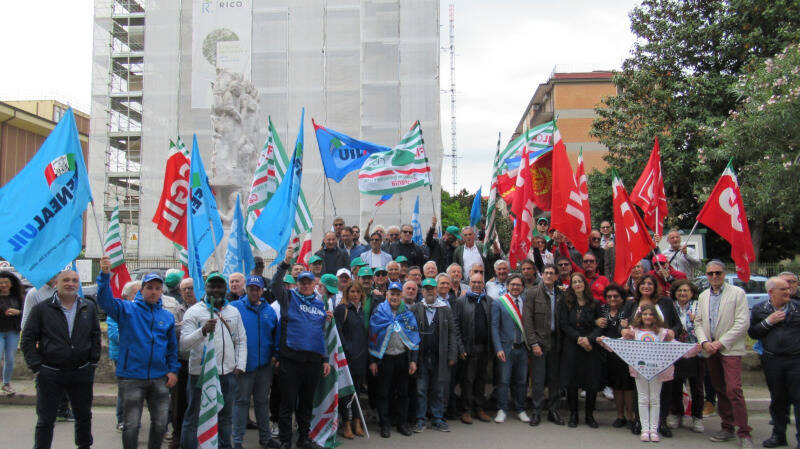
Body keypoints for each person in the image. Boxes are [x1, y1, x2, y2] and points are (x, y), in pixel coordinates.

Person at [97, 257, 180, 449]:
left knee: (160, 424)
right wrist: (104, 276)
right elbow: (105, 301)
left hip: (159, 378)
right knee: (132, 425)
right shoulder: (127, 309)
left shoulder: (166, 316)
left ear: (162, 291)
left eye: (157, 288)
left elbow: (171, 348)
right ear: (142, 290)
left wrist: (173, 370)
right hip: (131, 377)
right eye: (149, 287)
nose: (153, 292)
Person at [21, 268, 101, 449]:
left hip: (81, 372)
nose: (70, 284)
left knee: (83, 417)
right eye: (66, 280)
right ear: (57, 283)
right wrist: (36, 366)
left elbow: (95, 335)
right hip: (50, 373)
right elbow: (27, 338)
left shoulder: (87, 307)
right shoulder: (42, 309)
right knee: (45, 420)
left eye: (74, 280)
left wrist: (92, 362)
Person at [271, 248, 332, 449]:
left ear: (314, 284)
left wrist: (324, 359)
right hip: (291, 360)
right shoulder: (288, 298)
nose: (306, 285)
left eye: (309, 282)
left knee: (306, 404)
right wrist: (285, 262)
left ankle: (304, 438)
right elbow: (274, 284)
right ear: (298, 284)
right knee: (288, 404)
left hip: (313, 362)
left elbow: (320, 333)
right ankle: (286, 440)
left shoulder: (319, 303)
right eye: (302, 282)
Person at [180, 273, 247, 449]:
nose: (216, 290)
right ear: (205, 288)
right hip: (200, 375)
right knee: (194, 417)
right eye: (212, 286)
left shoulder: (234, 312)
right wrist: (202, 331)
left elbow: (241, 340)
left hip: (227, 375)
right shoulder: (193, 312)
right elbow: (184, 344)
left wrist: (240, 365)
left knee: (225, 417)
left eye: (219, 286)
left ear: (225, 289)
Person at [693, 260, 753, 448]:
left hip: (729, 349)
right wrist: (704, 342)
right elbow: (698, 322)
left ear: (724, 274)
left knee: (733, 389)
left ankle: (744, 432)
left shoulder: (737, 294)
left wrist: (720, 343)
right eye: (710, 274)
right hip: (710, 349)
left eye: (718, 273)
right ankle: (727, 427)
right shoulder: (703, 296)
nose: (714, 277)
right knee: (719, 388)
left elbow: (742, 323)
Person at [623, 273, 683, 437]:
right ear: (638, 286)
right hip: (638, 355)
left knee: (662, 390)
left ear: (655, 286)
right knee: (639, 391)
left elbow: (678, 324)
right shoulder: (632, 303)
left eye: (650, 283)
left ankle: (660, 422)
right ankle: (640, 422)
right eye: (643, 284)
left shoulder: (665, 302)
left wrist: (672, 331)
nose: (646, 286)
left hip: (662, 354)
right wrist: (622, 330)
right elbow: (624, 325)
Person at [749, 277, 800, 448]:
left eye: (788, 288)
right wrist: (768, 322)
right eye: (783, 289)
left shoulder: (797, 307)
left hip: (796, 360)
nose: (788, 291)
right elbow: (753, 333)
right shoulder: (759, 310)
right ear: (771, 292)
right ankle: (779, 435)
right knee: (777, 399)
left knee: (798, 399)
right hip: (773, 360)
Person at [231, 275, 280, 449]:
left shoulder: (269, 311)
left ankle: (265, 438)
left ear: (262, 290)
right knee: (241, 403)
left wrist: (275, 354)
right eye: (251, 288)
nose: (254, 291)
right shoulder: (235, 308)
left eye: (257, 289)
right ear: (247, 289)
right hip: (243, 367)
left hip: (264, 366)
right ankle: (237, 441)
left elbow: (277, 334)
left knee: (262, 402)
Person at [616, 304, 676, 442]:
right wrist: (605, 341)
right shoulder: (634, 331)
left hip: (657, 370)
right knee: (642, 399)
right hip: (640, 370)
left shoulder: (662, 332)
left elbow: (674, 345)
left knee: (655, 399)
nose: (648, 317)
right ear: (640, 316)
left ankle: (654, 430)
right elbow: (621, 342)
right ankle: (645, 429)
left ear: (655, 317)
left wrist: (692, 348)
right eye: (645, 314)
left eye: (651, 314)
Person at [368, 281, 419, 438]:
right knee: (383, 392)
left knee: (403, 392)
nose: (395, 297)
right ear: (386, 295)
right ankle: (385, 424)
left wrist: (413, 360)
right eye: (392, 294)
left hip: (402, 357)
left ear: (401, 296)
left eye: (398, 294)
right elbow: (372, 337)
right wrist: (373, 361)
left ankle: (402, 423)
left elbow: (414, 337)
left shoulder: (407, 313)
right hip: (384, 358)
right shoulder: (378, 312)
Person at [410, 278, 457, 432]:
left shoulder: (445, 309)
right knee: (420, 390)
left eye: (432, 288)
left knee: (438, 390)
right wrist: (412, 359)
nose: (429, 291)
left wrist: (452, 355)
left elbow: (452, 333)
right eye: (426, 288)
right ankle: (421, 420)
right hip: (421, 358)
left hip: (440, 358)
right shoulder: (416, 308)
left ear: (436, 290)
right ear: (421, 291)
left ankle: (438, 419)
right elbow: (411, 334)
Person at [559, 272, 602, 429]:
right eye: (574, 282)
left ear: (585, 283)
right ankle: (574, 414)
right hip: (572, 345)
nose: (577, 284)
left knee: (591, 383)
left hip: (590, 348)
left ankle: (589, 415)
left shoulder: (595, 304)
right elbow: (564, 324)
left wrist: (588, 340)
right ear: (571, 285)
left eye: (580, 281)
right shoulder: (566, 303)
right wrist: (579, 339)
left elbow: (600, 326)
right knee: (572, 383)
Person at [523, 264, 564, 426]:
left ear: (556, 277)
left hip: (556, 341)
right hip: (540, 341)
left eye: (551, 273)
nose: (548, 275)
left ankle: (553, 411)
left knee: (554, 379)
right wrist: (533, 343)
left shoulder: (561, 294)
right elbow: (527, 321)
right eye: (546, 272)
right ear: (542, 274)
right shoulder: (533, 293)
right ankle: (536, 411)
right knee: (538, 380)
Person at [452, 273, 493, 424]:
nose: (476, 285)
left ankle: (479, 408)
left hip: (484, 348)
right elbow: (455, 326)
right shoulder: (461, 301)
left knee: (481, 380)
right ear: (469, 283)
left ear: (483, 284)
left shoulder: (489, 301)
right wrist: (460, 347)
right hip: (468, 348)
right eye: (474, 282)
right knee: (467, 380)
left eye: (479, 282)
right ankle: (466, 410)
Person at [491, 274, 531, 423]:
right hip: (506, 349)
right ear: (507, 286)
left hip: (522, 348)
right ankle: (502, 409)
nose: (515, 287)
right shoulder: (499, 303)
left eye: (518, 285)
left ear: (522, 287)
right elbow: (494, 327)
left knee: (521, 381)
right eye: (512, 284)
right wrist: (498, 348)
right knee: (504, 380)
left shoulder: (525, 302)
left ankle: (521, 409)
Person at [668, 279, 706, 433]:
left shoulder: (699, 306)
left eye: (686, 291)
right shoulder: (670, 307)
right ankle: (677, 413)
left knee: (696, 385)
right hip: (675, 350)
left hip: (695, 349)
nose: (682, 293)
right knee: (675, 384)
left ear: (692, 293)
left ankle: (697, 417)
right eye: (679, 291)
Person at [596, 284, 635, 431]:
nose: (612, 299)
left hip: (626, 353)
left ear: (622, 298)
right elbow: (598, 326)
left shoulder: (628, 309)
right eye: (609, 296)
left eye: (616, 296)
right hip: (609, 353)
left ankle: (630, 416)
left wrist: (627, 325)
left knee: (628, 387)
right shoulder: (603, 309)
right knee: (617, 386)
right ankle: (620, 416)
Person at [334, 282, 369, 439]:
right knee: (346, 393)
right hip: (347, 358)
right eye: (352, 291)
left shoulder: (362, 311)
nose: (355, 294)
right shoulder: (342, 309)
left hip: (361, 358)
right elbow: (338, 332)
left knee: (357, 391)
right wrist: (346, 349)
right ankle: (346, 424)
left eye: (358, 292)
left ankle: (357, 422)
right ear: (347, 293)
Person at [170, 277, 197, 449]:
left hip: (200, 362)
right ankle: (177, 435)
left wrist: (184, 326)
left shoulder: (205, 308)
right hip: (182, 362)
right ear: (180, 292)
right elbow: (174, 330)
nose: (187, 292)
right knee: (179, 403)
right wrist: (193, 327)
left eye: (191, 288)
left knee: (197, 401)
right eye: (184, 289)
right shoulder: (175, 310)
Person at [0, 271, 23, 396]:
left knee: (10, 359)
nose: (3, 285)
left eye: (6, 282)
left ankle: (6, 384)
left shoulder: (17, 297)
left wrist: (17, 312)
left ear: (11, 284)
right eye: (1, 283)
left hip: (12, 332)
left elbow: (25, 313)